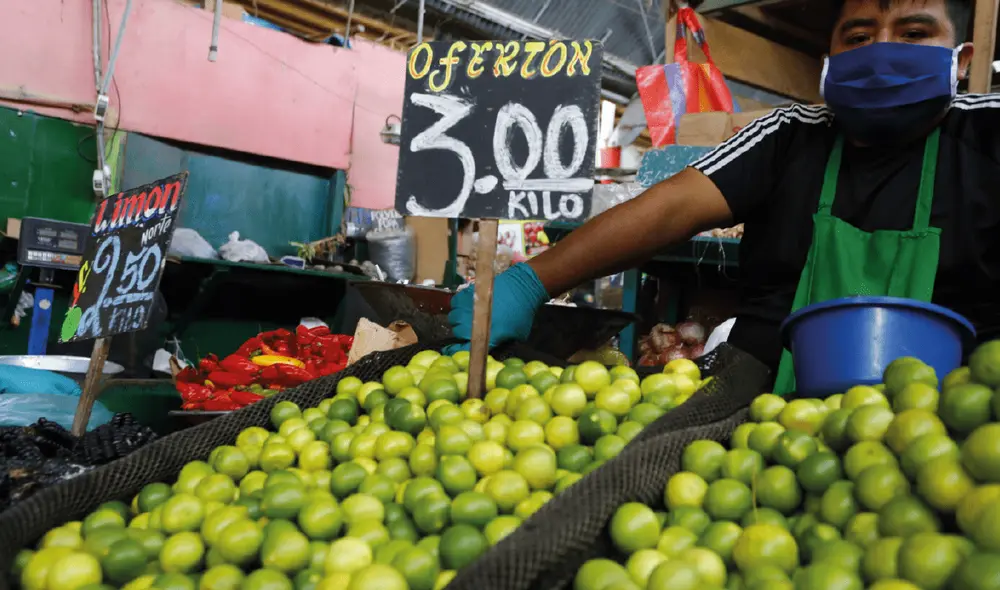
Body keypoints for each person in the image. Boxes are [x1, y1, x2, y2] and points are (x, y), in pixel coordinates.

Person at [448, 0, 1000, 393]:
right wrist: (529, 282)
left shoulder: (988, 135)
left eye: (913, 33)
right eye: (857, 37)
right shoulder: (790, 135)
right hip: (759, 407)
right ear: (830, 55)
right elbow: (668, 208)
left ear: (962, 58)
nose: (881, 52)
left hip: (948, 420)